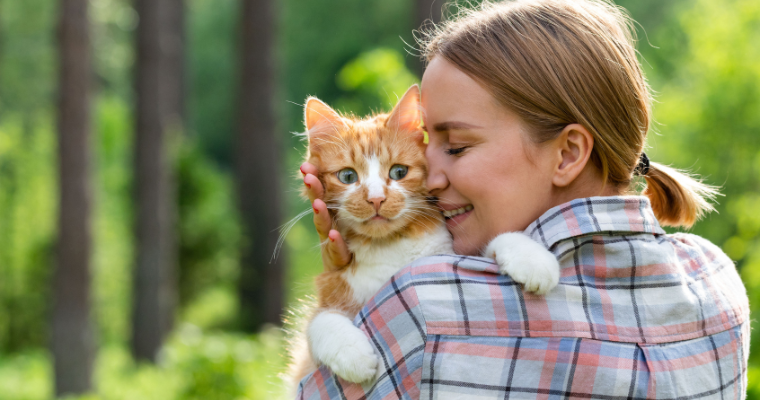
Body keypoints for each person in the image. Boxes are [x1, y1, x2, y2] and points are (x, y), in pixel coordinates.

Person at [296, 0, 750, 398]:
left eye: (455, 147)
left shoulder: (425, 306)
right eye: (426, 147)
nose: (429, 178)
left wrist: (361, 284)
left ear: (568, 154)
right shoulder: (715, 278)